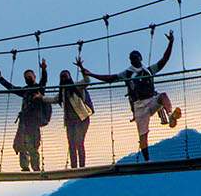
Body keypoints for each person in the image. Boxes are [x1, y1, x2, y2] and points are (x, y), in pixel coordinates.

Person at [77, 30, 182, 162]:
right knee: (143, 135)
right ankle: (147, 160)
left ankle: (170, 114)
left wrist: (171, 43)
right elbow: (110, 78)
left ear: (138, 59)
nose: (135, 60)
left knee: (162, 98)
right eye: (134, 58)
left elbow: (164, 60)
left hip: (149, 101)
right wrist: (91, 74)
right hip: (139, 106)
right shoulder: (132, 73)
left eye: (135, 58)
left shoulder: (146, 70)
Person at [0, 58, 49, 172]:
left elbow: (43, 81)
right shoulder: (25, 91)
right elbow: (11, 88)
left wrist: (44, 70)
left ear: (34, 77)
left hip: (34, 123)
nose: (28, 78)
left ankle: (36, 169)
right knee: (22, 145)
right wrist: (0, 78)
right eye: (26, 76)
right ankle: (25, 168)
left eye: (30, 76)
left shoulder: (39, 89)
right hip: (24, 123)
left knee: (33, 147)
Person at [40, 69, 93, 168]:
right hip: (70, 122)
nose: (64, 78)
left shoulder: (77, 86)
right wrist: (41, 98)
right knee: (71, 144)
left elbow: (87, 81)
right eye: (62, 77)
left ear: (70, 77)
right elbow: (54, 99)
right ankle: (74, 166)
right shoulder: (63, 91)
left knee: (79, 142)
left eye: (66, 76)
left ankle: (82, 166)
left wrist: (81, 68)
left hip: (81, 119)